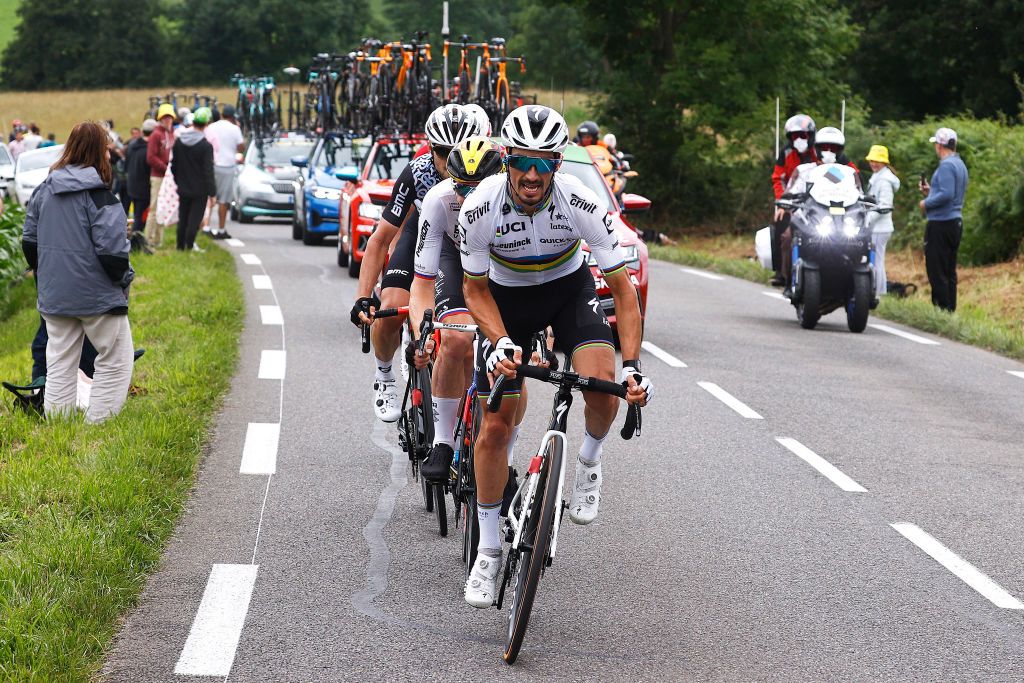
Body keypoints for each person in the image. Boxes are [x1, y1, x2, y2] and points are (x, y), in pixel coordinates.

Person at [458, 106, 652, 607]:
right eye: (522, 161)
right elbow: (474, 290)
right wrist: (500, 341)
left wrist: (632, 367)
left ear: (558, 167)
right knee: (495, 427)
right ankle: (490, 550)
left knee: (602, 386)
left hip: (568, 291)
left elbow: (623, 293)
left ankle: (588, 460)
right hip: (504, 300)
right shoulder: (479, 207)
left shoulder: (582, 203)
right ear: (506, 159)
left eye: (544, 164)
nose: (531, 174)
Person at [350, 104, 482, 423]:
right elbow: (380, 239)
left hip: (464, 246)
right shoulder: (418, 171)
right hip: (421, 234)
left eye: (459, 152)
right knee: (392, 306)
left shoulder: (489, 172)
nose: (451, 162)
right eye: (442, 152)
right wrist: (363, 297)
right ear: (430, 148)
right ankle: (384, 377)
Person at [408, 136, 519, 484]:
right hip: (455, 259)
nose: (468, 198)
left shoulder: (517, 202)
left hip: (503, 264)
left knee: (516, 356)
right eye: (461, 188)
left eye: (478, 188)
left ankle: (507, 457)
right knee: (455, 339)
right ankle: (442, 441)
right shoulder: (438, 201)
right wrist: (422, 333)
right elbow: (422, 282)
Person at [21, 121, 135, 424]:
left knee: (59, 361)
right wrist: (124, 281)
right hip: (97, 297)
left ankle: (58, 424)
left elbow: (29, 241)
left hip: (55, 294)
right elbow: (113, 254)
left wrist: (45, 275)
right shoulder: (101, 196)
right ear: (99, 151)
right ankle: (99, 424)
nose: (110, 156)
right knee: (116, 358)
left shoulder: (44, 190)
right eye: (107, 149)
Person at [780, 126, 860, 298]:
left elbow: (858, 194)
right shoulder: (804, 170)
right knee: (787, 236)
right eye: (824, 147)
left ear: (840, 151)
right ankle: (788, 281)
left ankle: (861, 283)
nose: (829, 151)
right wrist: (788, 198)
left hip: (841, 219)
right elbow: (791, 190)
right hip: (810, 216)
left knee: (863, 237)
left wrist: (868, 199)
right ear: (817, 148)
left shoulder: (847, 173)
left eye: (834, 148)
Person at [919, 127, 968, 312]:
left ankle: (941, 309)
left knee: (936, 269)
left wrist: (926, 202)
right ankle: (950, 310)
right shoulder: (959, 164)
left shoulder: (946, 165)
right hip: (955, 221)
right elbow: (952, 194)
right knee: (949, 269)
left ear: (940, 145)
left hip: (941, 222)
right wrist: (931, 192)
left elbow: (947, 195)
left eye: (936, 144)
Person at [771, 114, 817, 286]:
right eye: (794, 136)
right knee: (780, 224)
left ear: (811, 136)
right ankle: (780, 271)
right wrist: (783, 202)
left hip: (817, 200)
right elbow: (778, 178)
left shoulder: (821, 151)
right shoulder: (786, 153)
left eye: (803, 135)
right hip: (792, 200)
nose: (798, 139)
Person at [171, 107, 216, 252]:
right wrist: (212, 192)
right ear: (206, 124)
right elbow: (208, 171)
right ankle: (189, 246)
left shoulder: (179, 142)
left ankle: (179, 246)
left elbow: (174, 165)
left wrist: (178, 181)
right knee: (195, 219)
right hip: (200, 188)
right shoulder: (205, 146)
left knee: (183, 217)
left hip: (183, 186)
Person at [204, 104, 244, 240]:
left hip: (212, 164)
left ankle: (206, 226)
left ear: (221, 115)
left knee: (209, 197)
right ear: (233, 117)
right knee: (224, 201)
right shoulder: (235, 129)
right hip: (227, 166)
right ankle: (221, 229)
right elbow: (241, 147)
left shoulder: (212, 126)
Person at [865, 145, 900, 296]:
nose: (874, 163)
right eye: (872, 160)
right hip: (878, 227)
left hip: (880, 227)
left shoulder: (884, 180)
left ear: (885, 162)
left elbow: (885, 205)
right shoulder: (879, 176)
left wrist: (868, 218)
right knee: (877, 260)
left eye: (877, 161)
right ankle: (878, 292)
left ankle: (877, 294)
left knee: (877, 261)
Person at [145, 104, 176, 247]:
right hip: (158, 176)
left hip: (168, 177)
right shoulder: (155, 135)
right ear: (160, 118)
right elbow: (150, 157)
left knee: (163, 208)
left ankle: (158, 240)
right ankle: (148, 239)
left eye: (170, 117)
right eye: (165, 117)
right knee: (154, 207)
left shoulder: (171, 133)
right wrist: (165, 168)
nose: (168, 120)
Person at [126, 119, 156, 236]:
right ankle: (136, 241)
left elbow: (126, 165)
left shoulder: (132, 145)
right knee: (141, 216)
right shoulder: (150, 149)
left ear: (143, 131)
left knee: (137, 215)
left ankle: (135, 237)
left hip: (132, 185)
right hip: (144, 188)